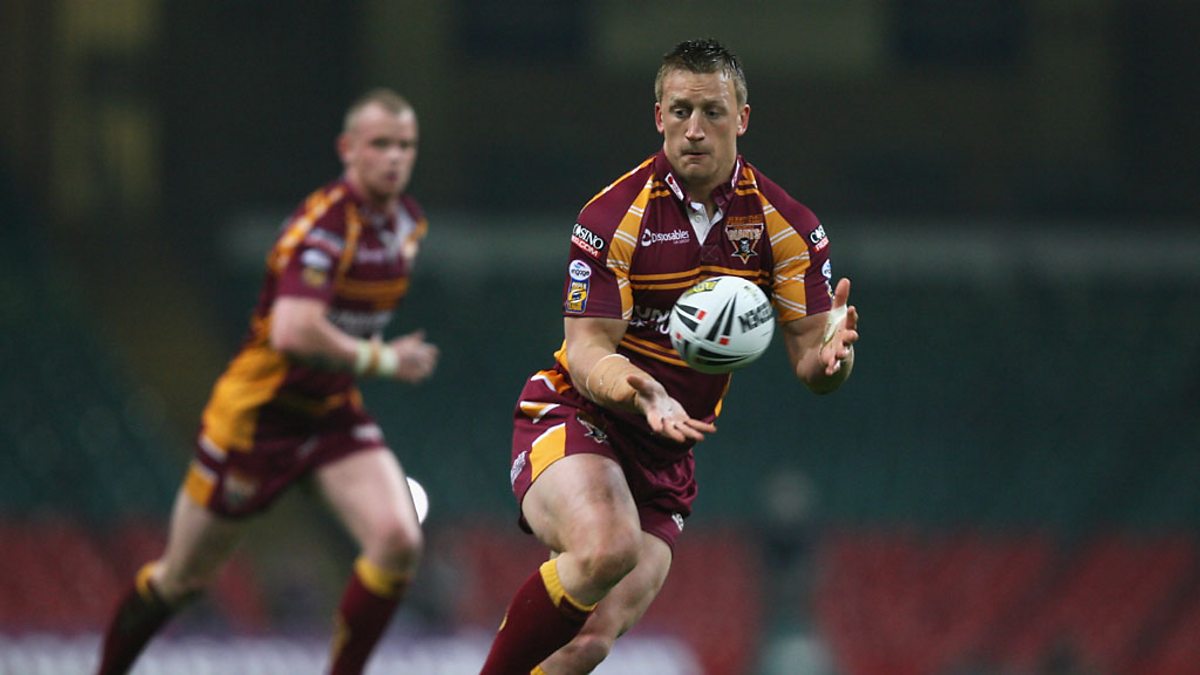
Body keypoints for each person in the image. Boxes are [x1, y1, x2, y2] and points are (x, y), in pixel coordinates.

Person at [479, 38, 859, 674]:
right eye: (680, 111)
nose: (695, 129)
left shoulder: (786, 226)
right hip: (578, 416)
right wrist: (642, 389)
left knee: (589, 641)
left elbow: (813, 358)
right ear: (659, 117)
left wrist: (832, 363)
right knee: (608, 549)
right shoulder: (612, 216)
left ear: (742, 118)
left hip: (666, 458)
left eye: (712, 112)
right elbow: (587, 350)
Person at [95, 88, 439, 675]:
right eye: (380, 144)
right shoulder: (324, 226)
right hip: (258, 417)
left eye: (405, 145)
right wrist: (384, 360)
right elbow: (292, 330)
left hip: (328, 411)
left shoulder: (407, 223)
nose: (394, 157)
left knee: (398, 539)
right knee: (181, 580)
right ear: (347, 149)